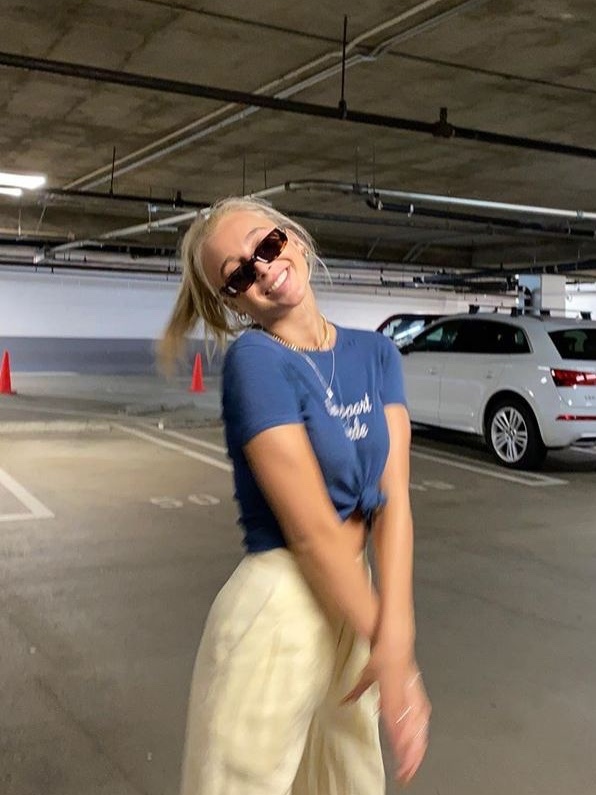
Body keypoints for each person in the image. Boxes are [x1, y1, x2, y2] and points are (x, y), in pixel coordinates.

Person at [160, 196, 431, 795]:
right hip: (280, 605)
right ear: (233, 301)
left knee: (348, 781)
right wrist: (392, 655)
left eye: (267, 245)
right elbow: (310, 532)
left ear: (296, 241)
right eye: (237, 274)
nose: (261, 267)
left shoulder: (377, 353)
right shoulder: (256, 360)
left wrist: (396, 635)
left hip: (354, 595)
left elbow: (393, 501)